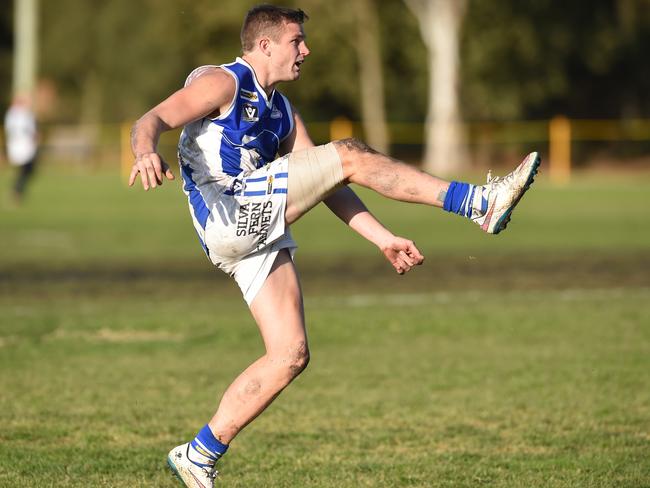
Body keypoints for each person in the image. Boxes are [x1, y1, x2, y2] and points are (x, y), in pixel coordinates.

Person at [129, 5, 540, 487]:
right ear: (265, 46)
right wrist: (144, 151)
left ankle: (199, 453)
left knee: (290, 353)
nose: (305, 50)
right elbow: (153, 117)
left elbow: (325, 179)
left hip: (248, 229)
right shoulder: (224, 82)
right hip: (228, 211)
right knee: (348, 153)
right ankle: (476, 202)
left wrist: (382, 238)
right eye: (296, 41)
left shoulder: (283, 112)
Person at [4, 94, 38, 205]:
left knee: (25, 169)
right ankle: (16, 192)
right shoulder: (23, 114)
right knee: (27, 169)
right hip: (24, 145)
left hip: (16, 144)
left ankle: (16, 191)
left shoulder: (11, 114)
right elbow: (30, 130)